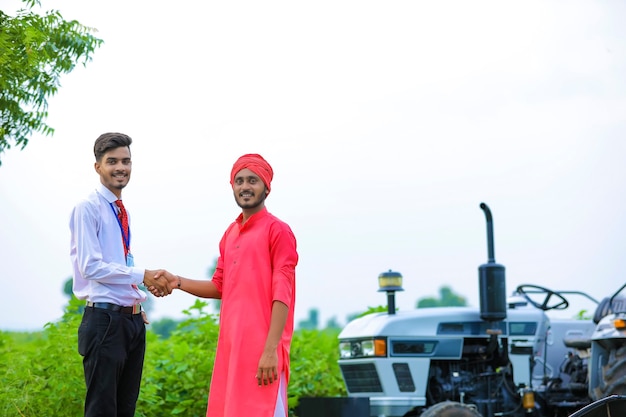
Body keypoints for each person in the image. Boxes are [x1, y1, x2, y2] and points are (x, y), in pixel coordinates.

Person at [154, 153, 298, 417]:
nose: (245, 187)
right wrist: (177, 282)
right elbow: (220, 286)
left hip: (263, 350)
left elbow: (282, 294)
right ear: (232, 186)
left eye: (253, 180)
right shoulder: (230, 234)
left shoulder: (278, 231)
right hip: (232, 350)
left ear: (267, 186)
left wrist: (270, 351)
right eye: (239, 181)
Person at [69, 132, 172, 417]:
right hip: (105, 322)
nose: (120, 168)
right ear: (97, 167)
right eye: (112, 161)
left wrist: (133, 299)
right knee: (103, 410)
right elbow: (90, 266)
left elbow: (120, 261)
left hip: (129, 321)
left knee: (126, 408)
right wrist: (143, 275)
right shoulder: (88, 208)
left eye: (126, 161)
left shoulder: (120, 210)